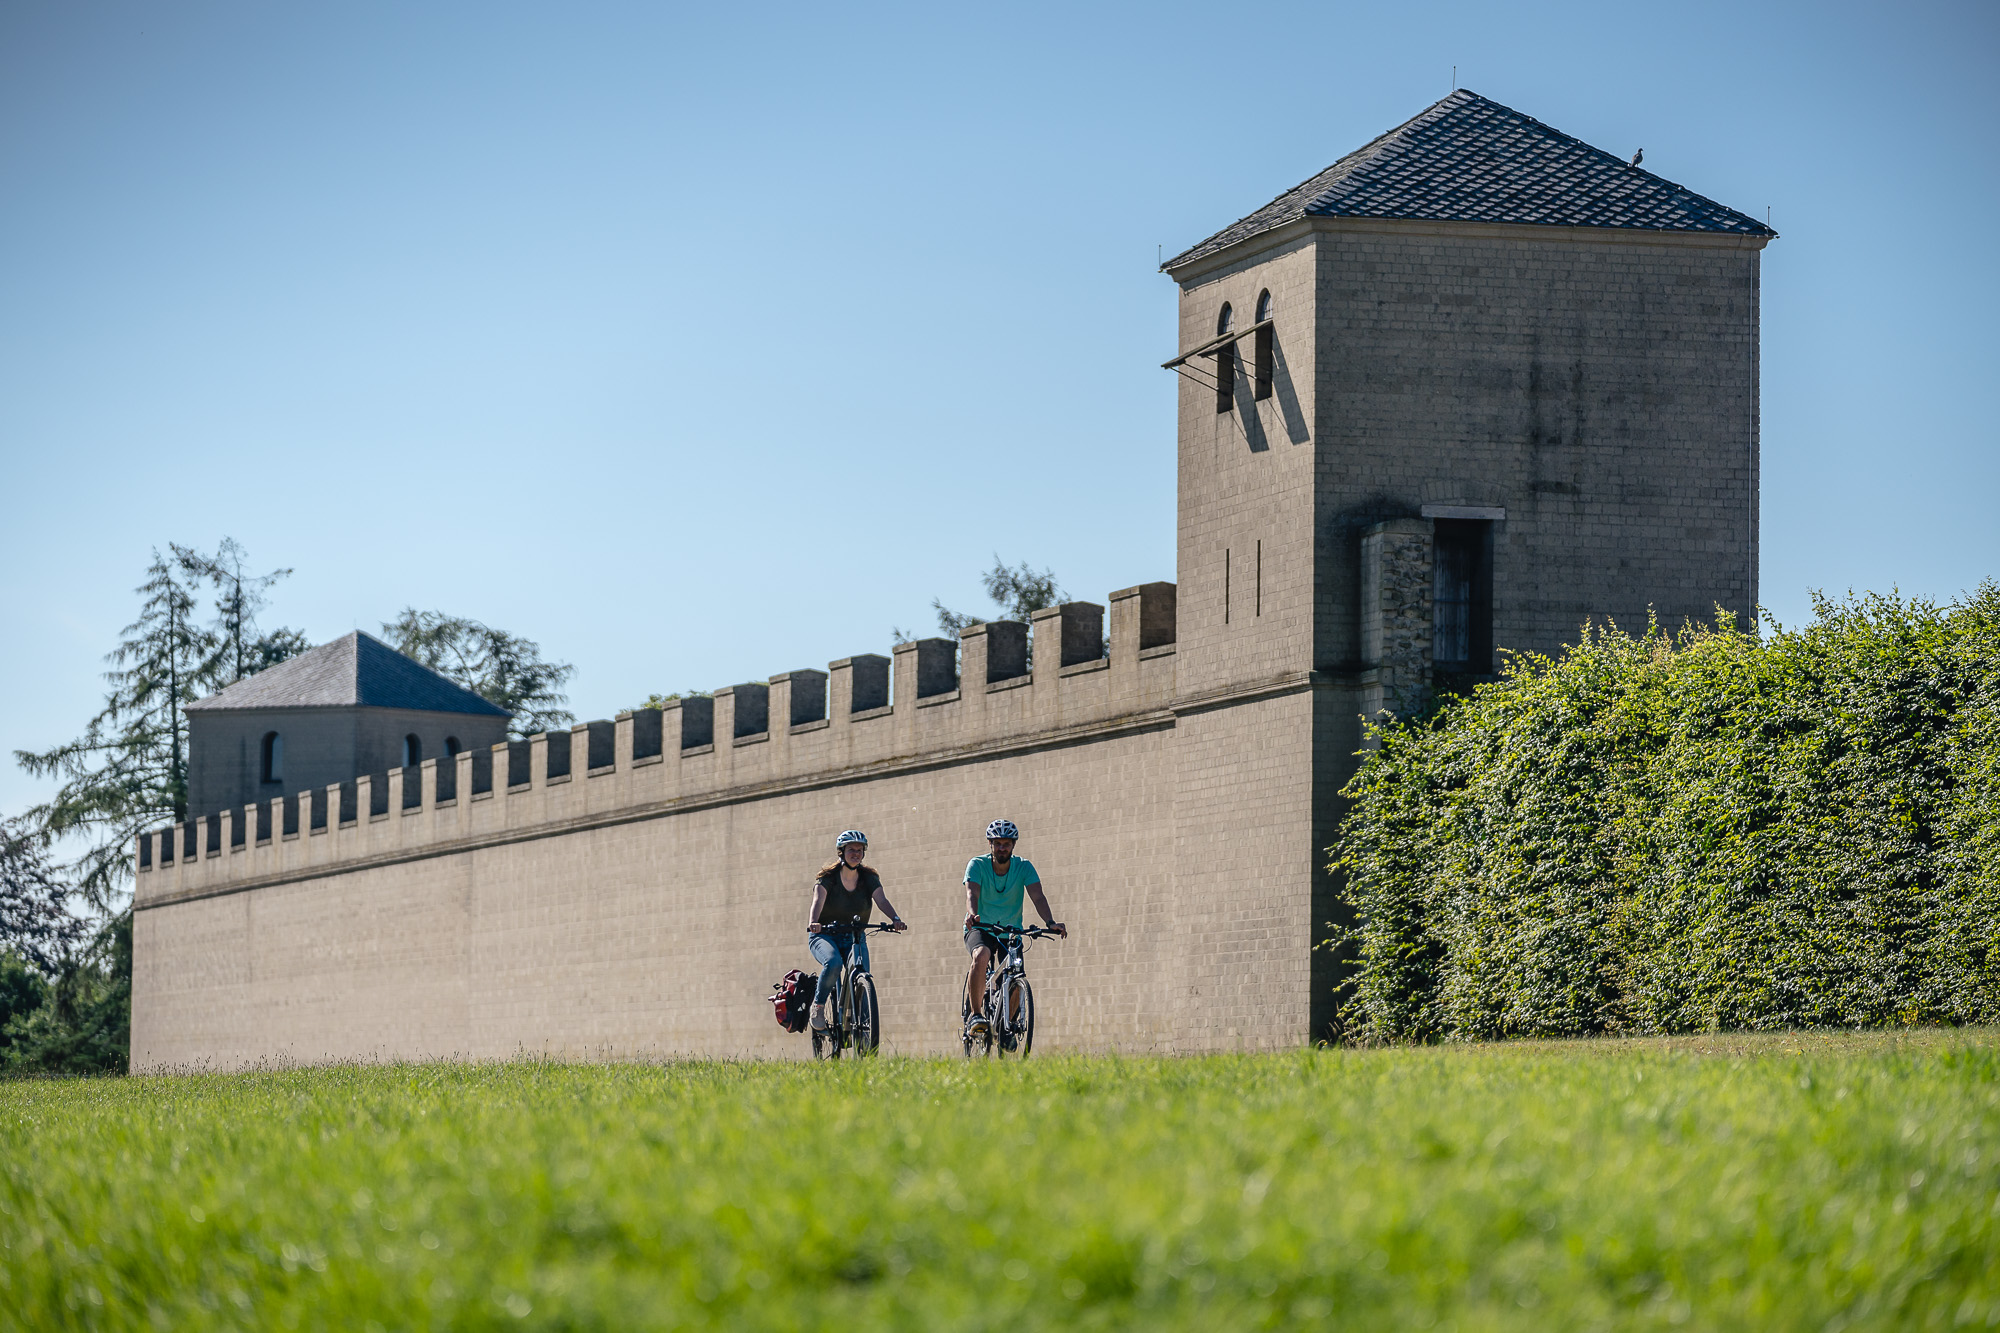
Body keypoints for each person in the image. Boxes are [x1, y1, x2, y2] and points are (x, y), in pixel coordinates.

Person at [963, 818, 1065, 1036]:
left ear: (1013, 845)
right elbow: (972, 893)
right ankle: (976, 1015)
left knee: (1017, 973)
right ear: (990, 844)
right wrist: (972, 914)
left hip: (1011, 932)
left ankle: (1006, 1028)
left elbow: (1038, 897)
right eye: (998, 843)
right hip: (981, 926)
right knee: (981, 955)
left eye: (1006, 844)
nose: (1002, 848)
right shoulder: (977, 865)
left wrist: (1050, 922)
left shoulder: (1024, 867)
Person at [808, 830, 907, 1032]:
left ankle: (864, 1029)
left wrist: (895, 919)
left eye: (859, 850)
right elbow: (818, 901)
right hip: (825, 935)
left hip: (854, 935)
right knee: (833, 963)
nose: (855, 853)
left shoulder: (869, 877)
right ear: (841, 852)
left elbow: (881, 900)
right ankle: (818, 1007)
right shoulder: (828, 877)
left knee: (862, 972)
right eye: (851, 850)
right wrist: (814, 922)